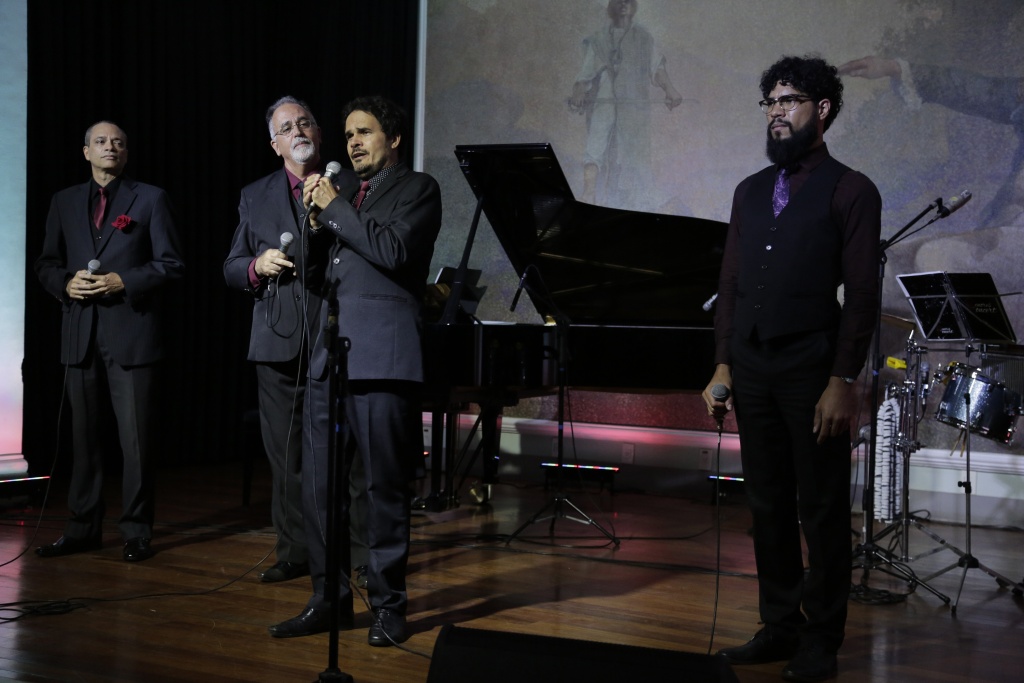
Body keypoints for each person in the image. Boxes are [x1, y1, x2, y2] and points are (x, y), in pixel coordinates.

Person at [703, 56, 881, 683]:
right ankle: (779, 626)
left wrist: (842, 381)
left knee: (822, 508)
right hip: (751, 365)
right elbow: (730, 283)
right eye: (770, 102)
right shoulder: (750, 190)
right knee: (768, 503)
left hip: (813, 368)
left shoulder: (851, 189)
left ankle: (821, 639)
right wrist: (723, 364)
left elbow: (861, 295)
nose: (776, 112)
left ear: (821, 109)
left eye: (789, 101)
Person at [267, 95, 442, 647]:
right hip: (330, 356)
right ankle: (329, 600)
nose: (353, 143)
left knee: (383, 489)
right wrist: (315, 227)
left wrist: (336, 208)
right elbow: (315, 275)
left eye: (364, 132)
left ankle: (389, 606)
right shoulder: (345, 196)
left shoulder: (418, 189)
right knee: (320, 489)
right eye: (347, 135)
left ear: (394, 138)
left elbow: (393, 251)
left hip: (384, 358)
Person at [223, 96, 369, 586]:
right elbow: (231, 266)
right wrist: (255, 265)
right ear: (275, 145)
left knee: (347, 454)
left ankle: (357, 553)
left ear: (319, 134)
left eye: (305, 123)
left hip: (342, 333)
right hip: (278, 336)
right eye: (286, 127)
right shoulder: (255, 194)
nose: (298, 131)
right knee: (286, 456)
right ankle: (294, 551)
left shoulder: (352, 184)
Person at [34, 121, 185, 562]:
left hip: (131, 334)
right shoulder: (63, 201)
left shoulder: (150, 198)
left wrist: (125, 280)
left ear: (126, 153)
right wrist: (66, 283)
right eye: (101, 142)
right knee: (83, 439)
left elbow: (172, 264)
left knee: (136, 442)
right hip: (80, 333)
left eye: (118, 142)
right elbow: (46, 263)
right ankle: (82, 528)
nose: (110, 147)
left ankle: (136, 531)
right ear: (86, 152)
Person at [567, 0, 683, 208]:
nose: (623, 5)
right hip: (605, 100)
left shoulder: (644, 38)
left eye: (628, 1)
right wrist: (578, 92)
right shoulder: (599, 38)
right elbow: (586, 73)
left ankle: (639, 202)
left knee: (635, 153)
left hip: (633, 105)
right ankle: (588, 195)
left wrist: (670, 90)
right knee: (595, 145)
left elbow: (657, 68)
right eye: (619, 1)